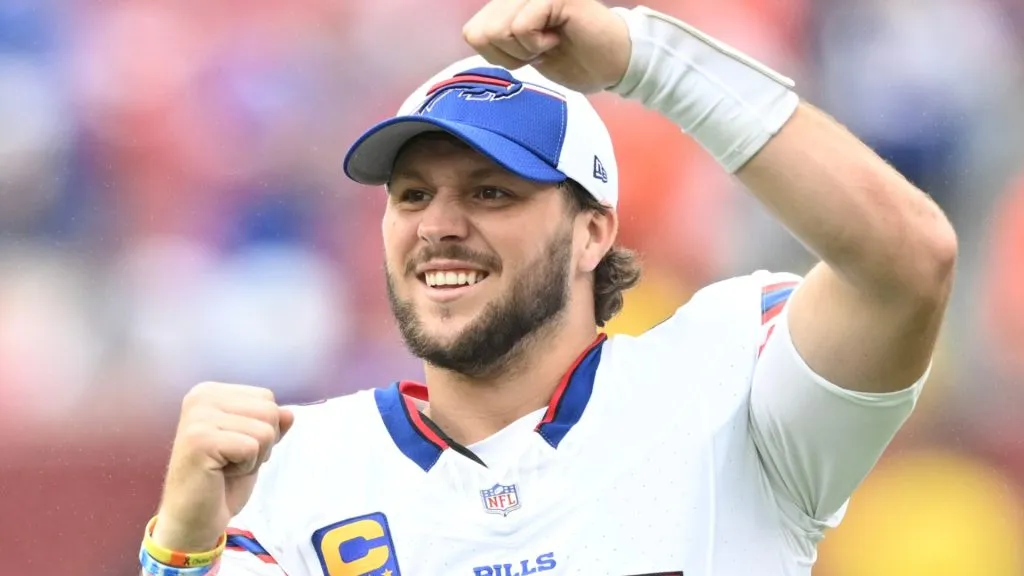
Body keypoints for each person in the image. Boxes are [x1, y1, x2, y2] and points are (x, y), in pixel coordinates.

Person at [138, 1, 958, 575]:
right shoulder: (293, 474)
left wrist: (648, 61)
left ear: (594, 231)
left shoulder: (729, 385)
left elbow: (909, 260)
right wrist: (177, 551)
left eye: (491, 191)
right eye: (413, 194)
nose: (439, 224)